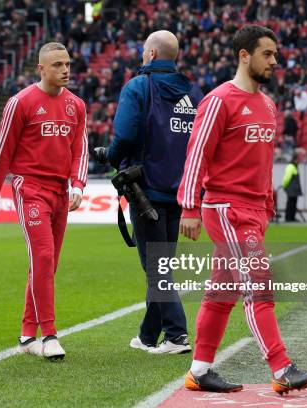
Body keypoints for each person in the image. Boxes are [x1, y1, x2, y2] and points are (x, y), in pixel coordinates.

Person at [178, 25, 307, 394]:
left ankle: (200, 370)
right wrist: (189, 207)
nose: (275, 61)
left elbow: (264, 161)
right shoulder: (219, 101)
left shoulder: (268, 104)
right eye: (267, 54)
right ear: (245, 56)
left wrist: (268, 205)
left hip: (254, 210)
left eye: (275, 54)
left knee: (222, 293)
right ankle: (281, 367)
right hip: (226, 208)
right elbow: (197, 155)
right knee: (258, 285)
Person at [0, 42, 88, 361]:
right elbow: (4, 152)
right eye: (57, 65)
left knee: (47, 264)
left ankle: (27, 335)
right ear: (41, 69)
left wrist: (78, 184)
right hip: (29, 187)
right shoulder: (20, 102)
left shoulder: (76, 106)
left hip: (59, 191)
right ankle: (49, 334)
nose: (65, 69)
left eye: (67, 63)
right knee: (42, 256)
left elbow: (79, 149)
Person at [105, 30, 203, 354]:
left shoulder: (138, 87)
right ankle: (148, 336)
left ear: (150, 55)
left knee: (156, 268)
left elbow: (126, 133)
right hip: (182, 193)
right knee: (160, 265)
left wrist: (110, 156)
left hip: (147, 189)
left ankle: (176, 335)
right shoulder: (194, 92)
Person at [282, 155, 302, 222]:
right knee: (290, 203)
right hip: (291, 189)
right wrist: (284, 185)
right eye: (297, 160)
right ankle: (288, 218)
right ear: (294, 160)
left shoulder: (293, 166)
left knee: (293, 203)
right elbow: (287, 178)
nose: (298, 161)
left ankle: (292, 217)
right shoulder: (291, 166)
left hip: (294, 189)